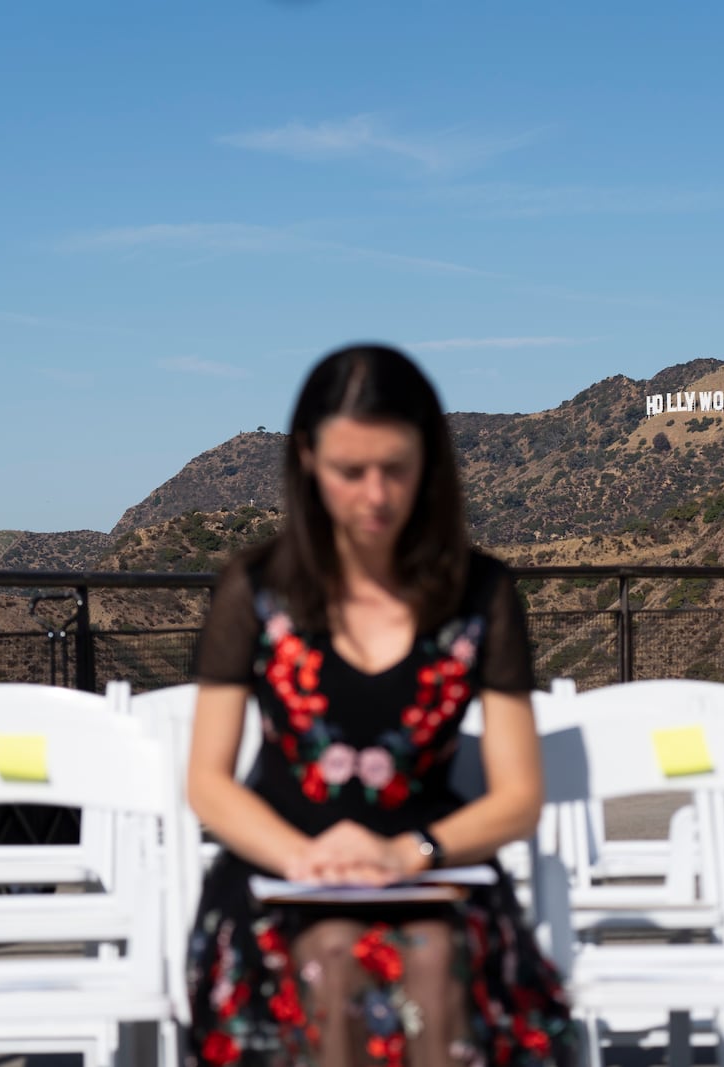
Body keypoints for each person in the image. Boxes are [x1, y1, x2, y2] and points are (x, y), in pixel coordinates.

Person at [186, 344, 575, 1067]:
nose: (375, 495)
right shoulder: (255, 589)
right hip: (282, 871)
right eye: (349, 471)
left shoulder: (481, 594)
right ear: (306, 459)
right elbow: (208, 781)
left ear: (430, 460)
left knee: (433, 958)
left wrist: (408, 852)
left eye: (395, 468)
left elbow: (520, 796)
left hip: (432, 866)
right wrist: (305, 859)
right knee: (330, 958)